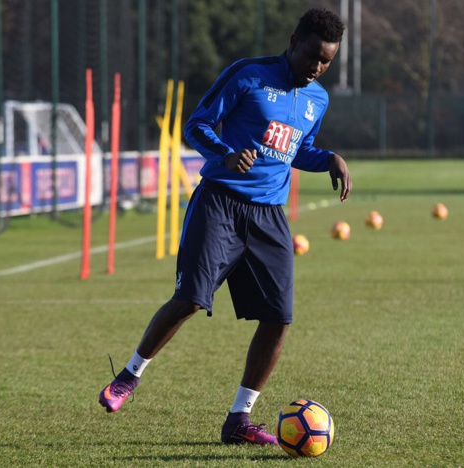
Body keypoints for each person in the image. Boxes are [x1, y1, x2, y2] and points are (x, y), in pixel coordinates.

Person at [99, 8, 352, 445]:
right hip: (219, 204)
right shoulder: (248, 75)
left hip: (270, 216)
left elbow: (297, 149)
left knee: (279, 317)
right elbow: (196, 125)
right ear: (294, 41)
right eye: (312, 54)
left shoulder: (318, 100)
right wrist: (225, 154)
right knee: (191, 300)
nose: (317, 66)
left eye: (326, 60)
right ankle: (128, 376)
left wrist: (327, 158)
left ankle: (239, 419)